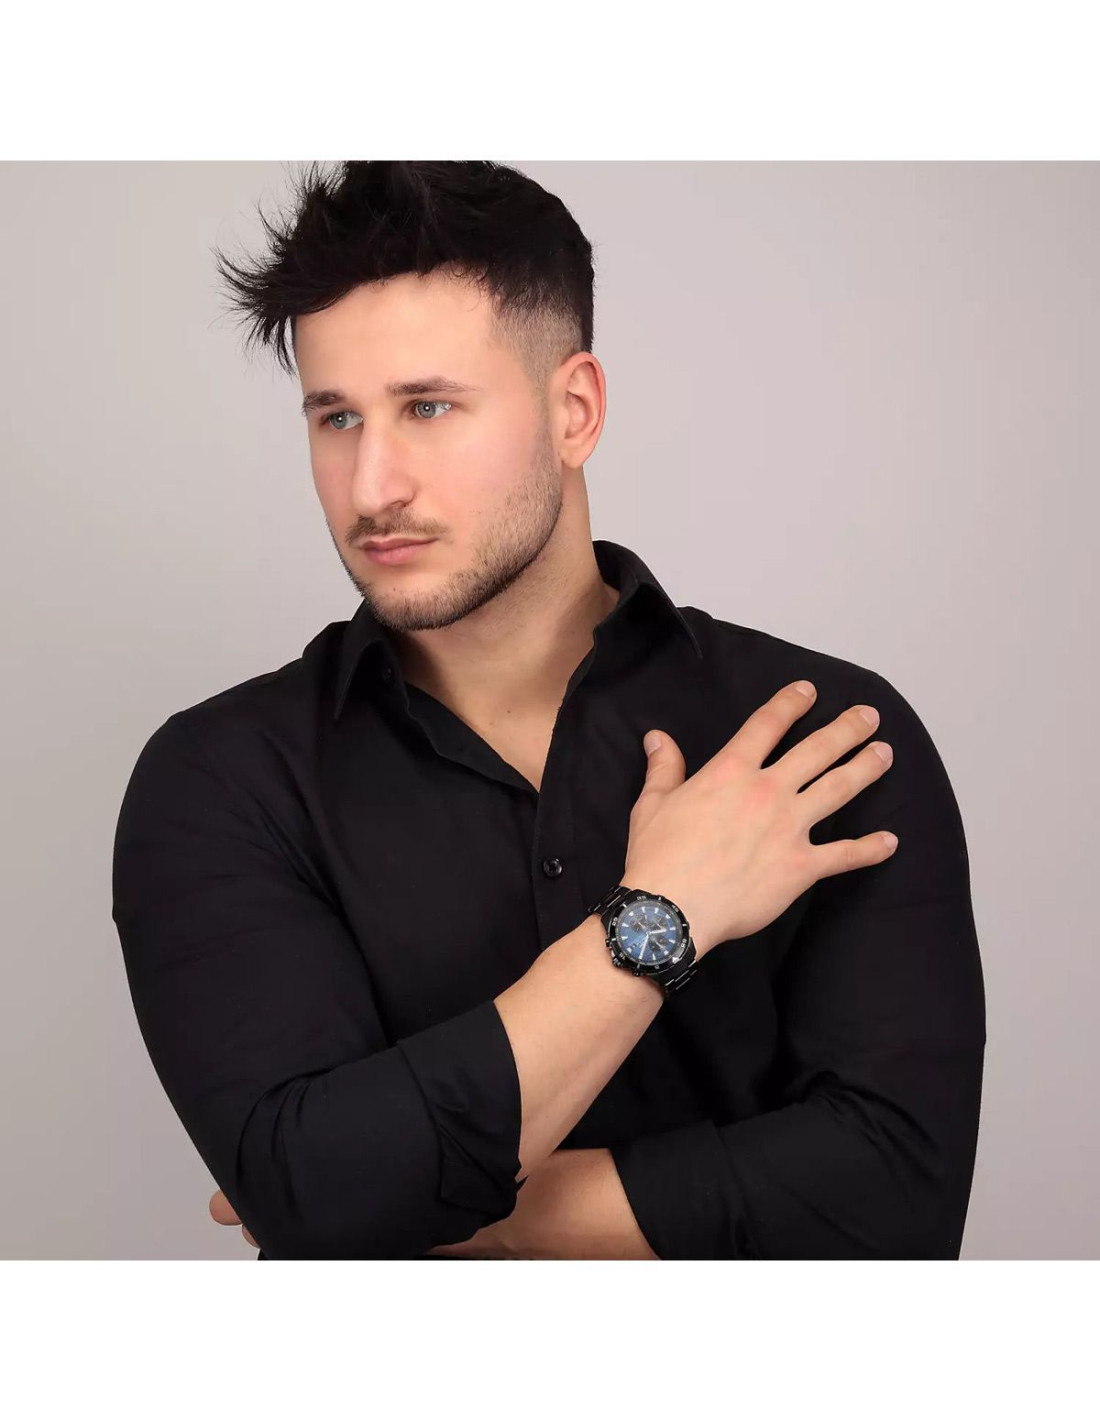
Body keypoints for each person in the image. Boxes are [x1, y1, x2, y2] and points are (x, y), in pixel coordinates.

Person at [112, 161, 986, 1260]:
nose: (372, 485)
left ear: (574, 411)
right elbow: (316, 1194)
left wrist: (410, 1205)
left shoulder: (821, 740)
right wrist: (665, 910)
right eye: (335, 418)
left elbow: (897, 1203)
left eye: (428, 407)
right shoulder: (223, 781)